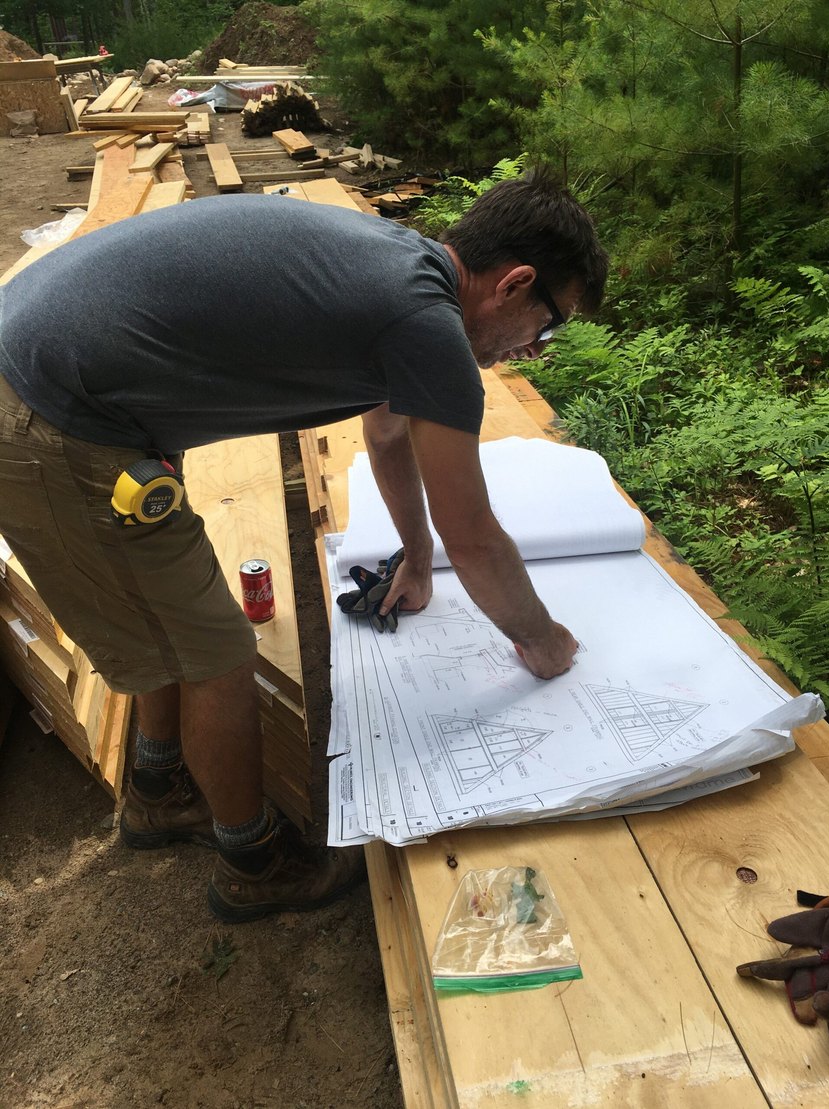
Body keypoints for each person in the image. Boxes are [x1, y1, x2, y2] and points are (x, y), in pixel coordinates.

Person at [0, 166, 608, 922]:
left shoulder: (403, 271)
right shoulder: (424, 323)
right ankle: (253, 863)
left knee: (169, 619)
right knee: (217, 650)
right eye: (548, 326)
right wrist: (543, 640)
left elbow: (387, 436)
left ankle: (159, 793)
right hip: (50, 408)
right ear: (515, 284)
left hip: (53, 363)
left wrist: (417, 562)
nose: (535, 349)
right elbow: (477, 538)